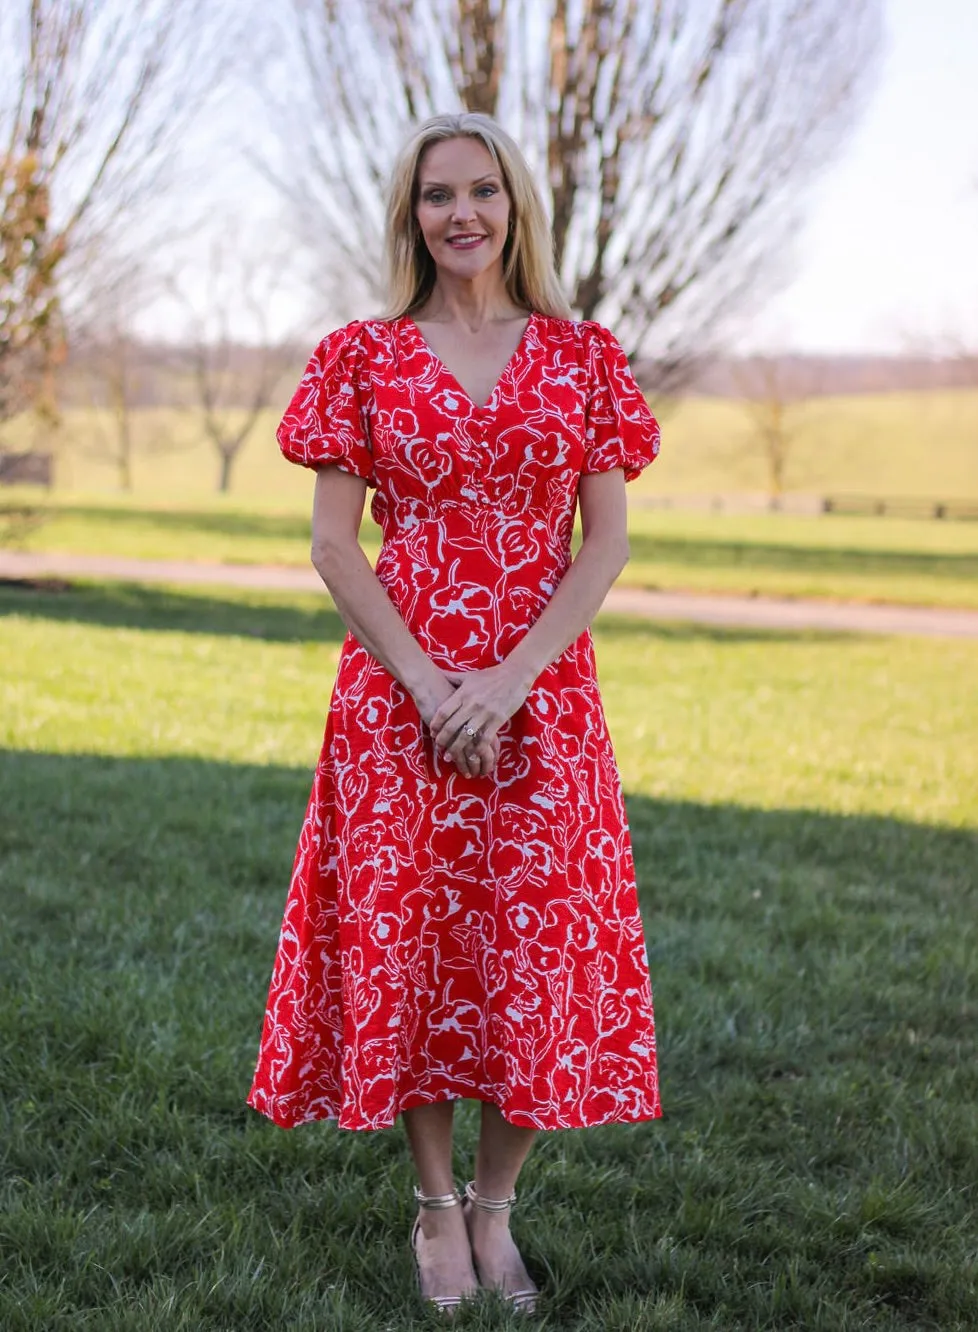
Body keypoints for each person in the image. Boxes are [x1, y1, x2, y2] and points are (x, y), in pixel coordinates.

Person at [248, 111, 662, 1316]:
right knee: (414, 941)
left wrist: (515, 674)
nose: (462, 213)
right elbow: (334, 546)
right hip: (397, 694)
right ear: (411, 214)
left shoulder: (583, 357)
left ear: (514, 206)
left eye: (483, 190)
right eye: (438, 196)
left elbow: (608, 542)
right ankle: (434, 1207)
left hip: (543, 694)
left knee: (532, 951)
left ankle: (497, 1207)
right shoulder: (361, 357)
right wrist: (430, 684)